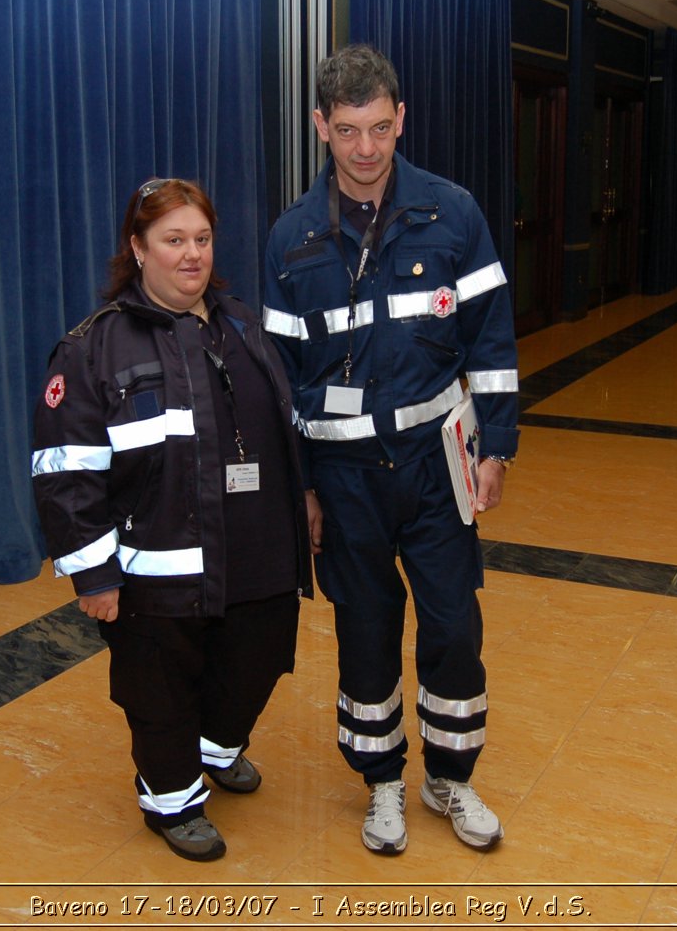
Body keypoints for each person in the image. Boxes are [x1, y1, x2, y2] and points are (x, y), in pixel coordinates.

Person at [262, 44, 518, 855]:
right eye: (347, 131)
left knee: (452, 625)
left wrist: (497, 447)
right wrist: (299, 490)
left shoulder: (454, 214)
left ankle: (451, 776)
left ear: (401, 118)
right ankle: (381, 785)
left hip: (437, 465)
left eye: (379, 127)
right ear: (320, 128)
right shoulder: (292, 238)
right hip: (342, 478)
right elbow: (278, 381)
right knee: (366, 630)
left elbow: (492, 340)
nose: (366, 149)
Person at [31, 178, 312, 862]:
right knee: (161, 692)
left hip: (257, 552)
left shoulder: (244, 325)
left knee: (258, 660)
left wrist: (305, 504)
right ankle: (173, 800)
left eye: (203, 239)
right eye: (174, 240)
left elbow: (280, 433)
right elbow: (65, 474)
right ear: (138, 248)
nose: (193, 255)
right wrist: (93, 576)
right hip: (157, 569)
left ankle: (215, 751)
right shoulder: (91, 350)